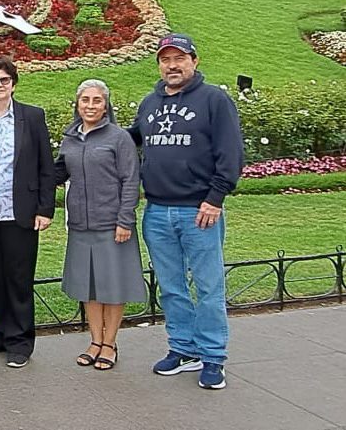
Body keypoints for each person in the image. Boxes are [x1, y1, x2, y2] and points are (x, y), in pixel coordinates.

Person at [130, 34, 243, 391]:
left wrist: (215, 198)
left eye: (179, 58)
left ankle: (212, 356)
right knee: (171, 286)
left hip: (199, 211)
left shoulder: (214, 100)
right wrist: (89, 135)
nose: (172, 65)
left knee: (209, 287)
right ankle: (182, 348)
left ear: (194, 61)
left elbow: (230, 152)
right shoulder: (149, 103)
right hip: (157, 211)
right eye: (166, 59)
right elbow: (130, 140)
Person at [0, 55, 56, 369]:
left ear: (13, 83)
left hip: (20, 211)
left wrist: (45, 208)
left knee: (19, 277)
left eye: (4, 80)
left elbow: (46, 166)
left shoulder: (31, 117)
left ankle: (20, 340)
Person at [55, 79, 144, 371]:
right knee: (89, 287)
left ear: (106, 106)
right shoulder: (70, 138)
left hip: (112, 224)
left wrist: (125, 219)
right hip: (81, 225)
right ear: (77, 104)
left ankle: (110, 343)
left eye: (97, 100)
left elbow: (130, 180)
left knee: (113, 286)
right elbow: (57, 172)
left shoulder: (119, 138)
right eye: (85, 100)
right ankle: (95, 341)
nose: (90, 106)